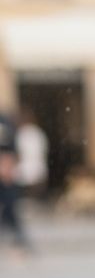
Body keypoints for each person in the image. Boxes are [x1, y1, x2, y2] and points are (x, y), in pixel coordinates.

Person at [0, 109, 29, 252]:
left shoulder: (3, 121)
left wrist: (6, 166)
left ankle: (18, 238)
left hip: (4, 174)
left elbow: (9, 148)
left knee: (10, 204)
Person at [16, 108, 49, 198]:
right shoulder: (39, 133)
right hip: (37, 172)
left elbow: (19, 153)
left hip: (24, 173)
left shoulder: (21, 134)